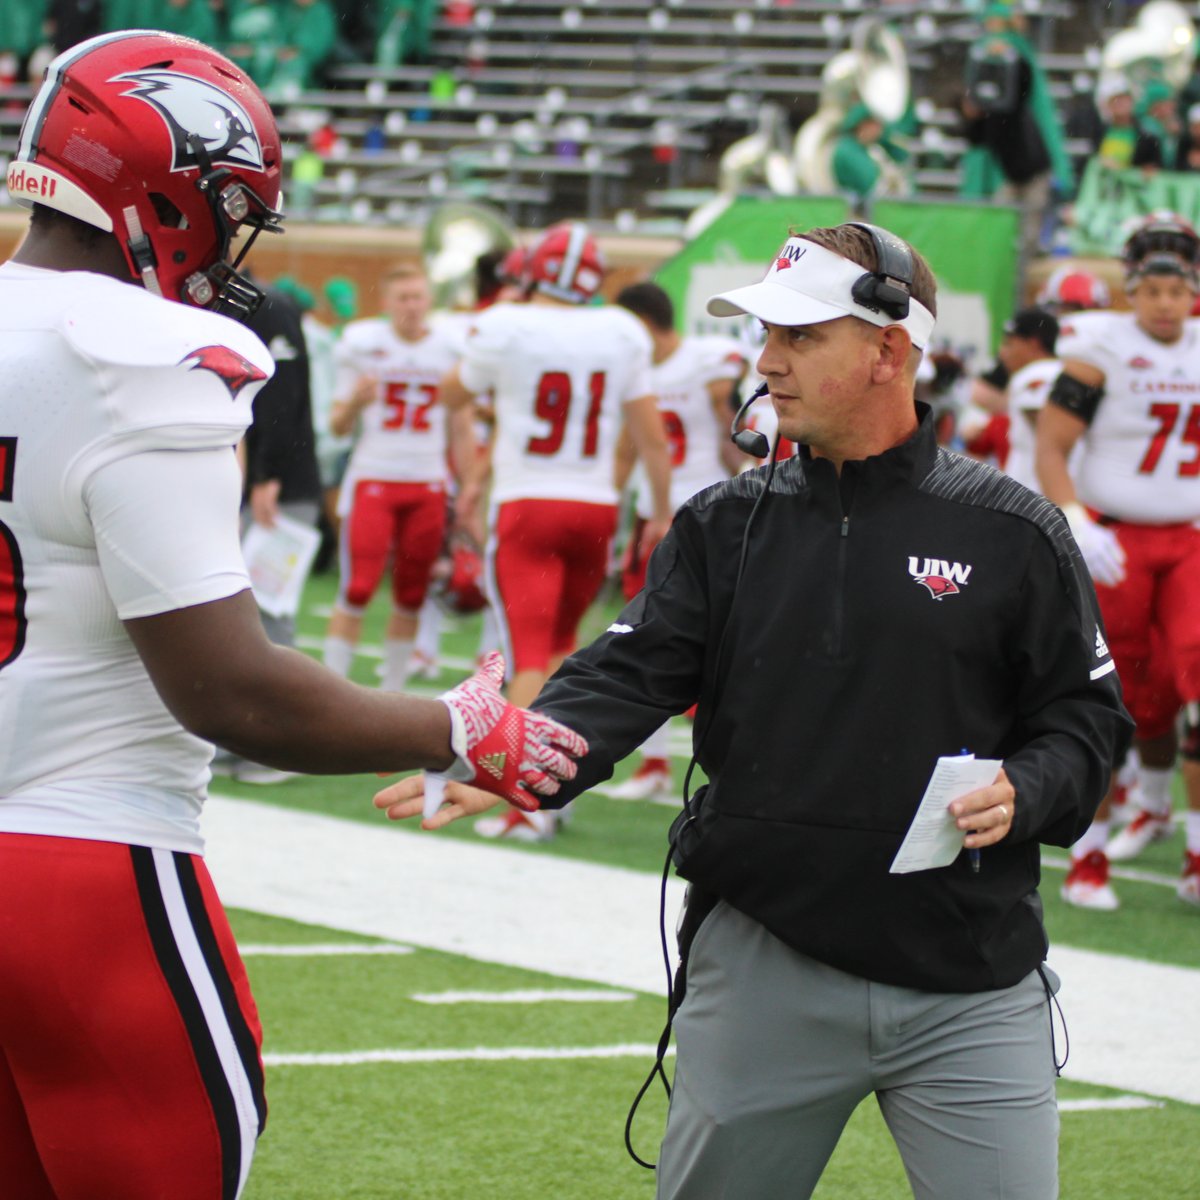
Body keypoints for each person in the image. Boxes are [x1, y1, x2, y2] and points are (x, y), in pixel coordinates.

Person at [378, 222, 1131, 1197]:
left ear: (891, 348)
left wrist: (1027, 789)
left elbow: (1084, 721)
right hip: (767, 959)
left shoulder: (1014, 530)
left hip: (972, 978)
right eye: (764, 334)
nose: (764, 361)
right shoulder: (722, 523)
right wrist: (520, 752)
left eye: (800, 336)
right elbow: (624, 676)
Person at [0, 31, 585, 1200]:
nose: (232, 245)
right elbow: (234, 692)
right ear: (167, 192)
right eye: (229, 210)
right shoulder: (138, 357)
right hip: (88, 873)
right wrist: (460, 726)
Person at [440, 221, 673, 840]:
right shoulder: (620, 330)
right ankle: (557, 794)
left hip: (528, 506)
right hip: (596, 508)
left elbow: (452, 392)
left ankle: (522, 807)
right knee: (568, 655)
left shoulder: (508, 324)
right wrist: (659, 509)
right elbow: (651, 437)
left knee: (527, 656)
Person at [1036, 211, 1200, 910]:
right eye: (1154, 289)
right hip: (1118, 542)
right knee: (1116, 695)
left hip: (1189, 536)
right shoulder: (1096, 347)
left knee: (1190, 684)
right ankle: (1089, 858)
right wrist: (1075, 518)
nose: (1167, 303)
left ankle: (1193, 854)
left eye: (1179, 288)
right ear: (1130, 290)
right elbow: (1050, 445)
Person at [607, 280, 747, 802]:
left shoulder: (705, 359)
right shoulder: (636, 373)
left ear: (641, 321)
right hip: (654, 516)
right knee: (646, 638)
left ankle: (714, 763)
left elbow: (731, 424)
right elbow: (627, 449)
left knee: (709, 644)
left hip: (706, 515)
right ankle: (656, 763)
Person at [322, 263, 473, 691]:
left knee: (411, 593)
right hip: (374, 477)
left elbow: (461, 428)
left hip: (428, 481)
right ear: (386, 302)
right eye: (402, 298)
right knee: (357, 587)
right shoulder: (362, 345)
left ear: (430, 301)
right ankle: (333, 691)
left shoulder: (450, 348)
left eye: (418, 297)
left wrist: (468, 490)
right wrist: (354, 402)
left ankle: (391, 696)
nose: (411, 306)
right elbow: (337, 426)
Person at [997, 305, 1060, 493]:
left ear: (1033, 344)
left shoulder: (1036, 374)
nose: (1003, 352)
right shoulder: (1058, 371)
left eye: (1010, 343)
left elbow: (1050, 429)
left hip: (1035, 494)